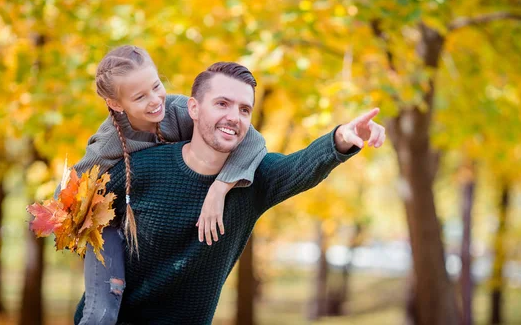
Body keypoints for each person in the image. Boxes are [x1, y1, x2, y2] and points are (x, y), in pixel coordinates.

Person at [74, 61, 386, 324]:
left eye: (244, 109)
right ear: (193, 108)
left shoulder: (255, 181)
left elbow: (302, 166)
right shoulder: (140, 168)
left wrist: (343, 138)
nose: (233, 117)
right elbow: (80, 215)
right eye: (222, 103)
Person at [65, 46, 267, 325]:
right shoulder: (110, 142)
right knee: (101, 314)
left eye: (156, 85)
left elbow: (253, 141)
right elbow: (69, 192)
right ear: (116, 104)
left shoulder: (179, 110)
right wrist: (82, 224)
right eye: (140, 96)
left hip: (152, 222)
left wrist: (220, 188)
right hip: (110, 226)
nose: (154, 100)